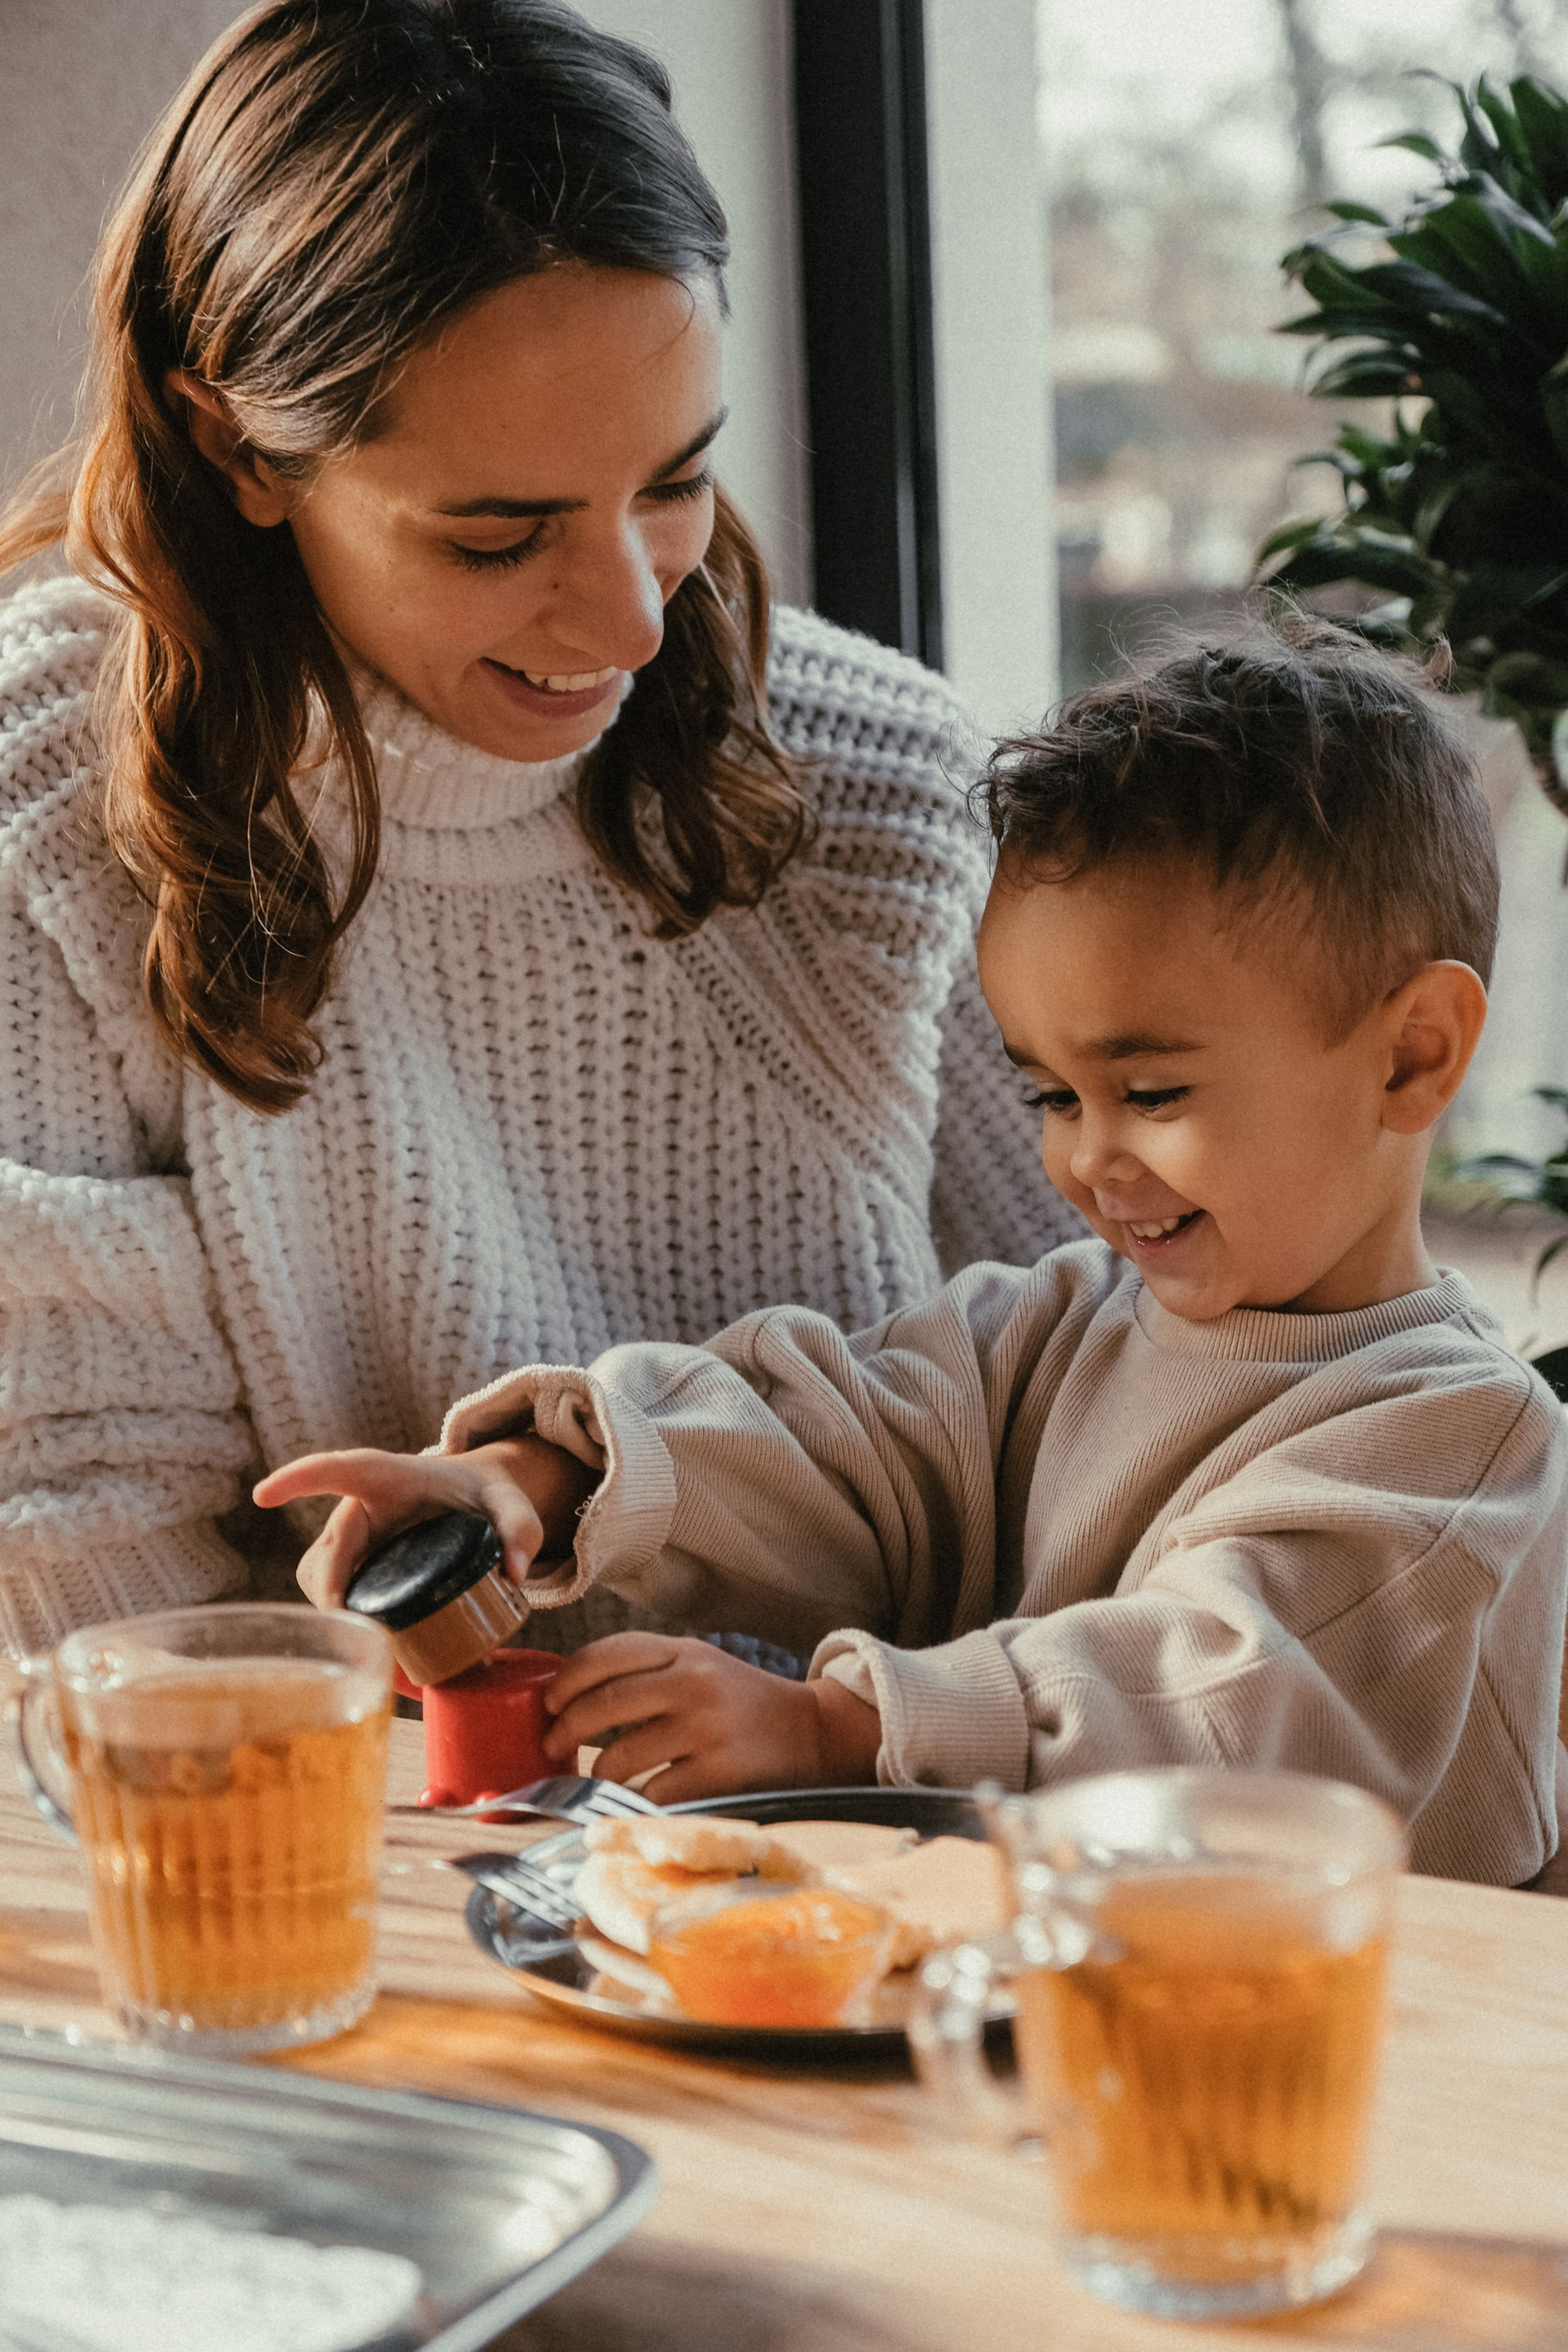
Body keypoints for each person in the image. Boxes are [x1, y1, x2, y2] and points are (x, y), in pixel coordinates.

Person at [0, 0, 1074, 1658]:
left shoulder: (881, 784)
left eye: (675, 483)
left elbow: (1138, 1372)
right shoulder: (52, 801)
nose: (637, 624)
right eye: (500, 536)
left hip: (895, 1820)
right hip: (363, 1845)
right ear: (241, 450)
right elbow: (81, 1560)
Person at [267, 624, 1568, 1887]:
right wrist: (545, 1473)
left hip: (1373, 2069)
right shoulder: (1062, 1324)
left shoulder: (1460, 1442)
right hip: (1067, 2014)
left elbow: (1205, 1693)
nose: (1087, 1162)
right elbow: (848, 1440)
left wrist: (835, 1726)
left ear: (1410, 1056)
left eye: (1150, 1095)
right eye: (1051, 1098)